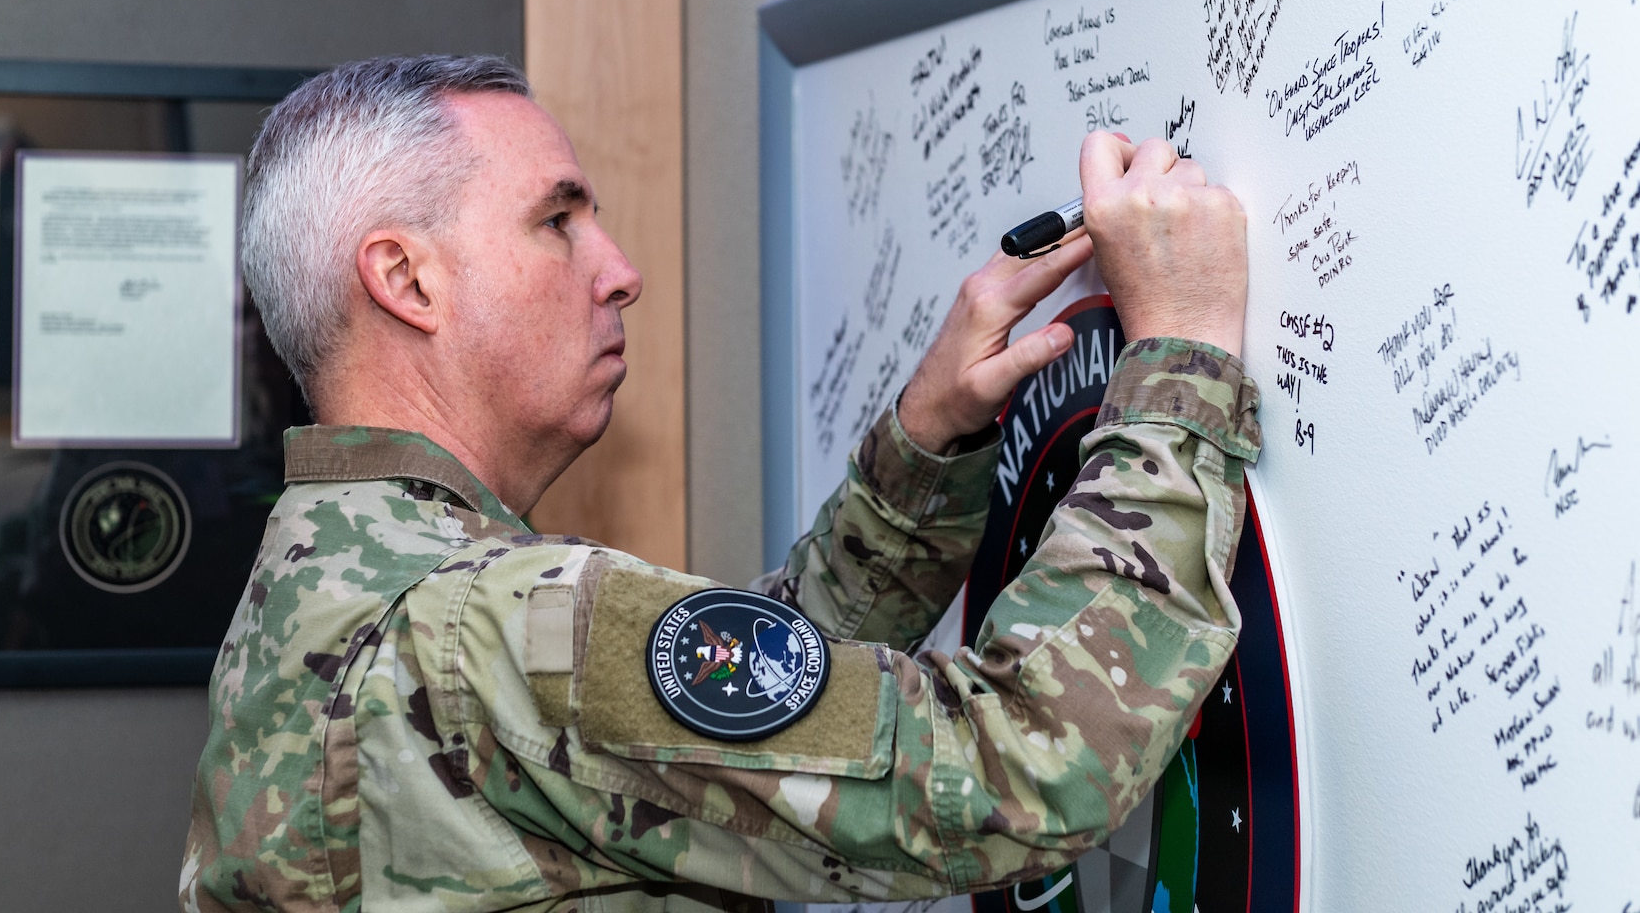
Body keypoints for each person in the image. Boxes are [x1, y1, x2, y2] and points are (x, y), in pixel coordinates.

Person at [180, 55, 1258, 912]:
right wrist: (1180, 357)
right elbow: (1021, 770)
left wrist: (925, 445)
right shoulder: (497, 625)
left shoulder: (322, 577)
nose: (619, 270)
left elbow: (737, 714)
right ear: (406, 279)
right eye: (558, 222)